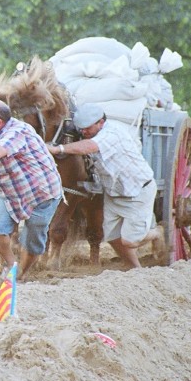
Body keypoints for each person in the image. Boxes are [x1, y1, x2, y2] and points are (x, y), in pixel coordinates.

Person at [48, 103, 163, 269]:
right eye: (81, 129)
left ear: (101, 122)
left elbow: (89, 147)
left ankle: (156, 234)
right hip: (114, 192)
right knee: (112, 237)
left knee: (131, 240)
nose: (83, 132)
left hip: (137, 191)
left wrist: (57, 149)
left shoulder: (112, 133)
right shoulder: (92, 133)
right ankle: (136, 269)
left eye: (87, 128)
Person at [0, 99, 62, 281]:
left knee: (31, 243)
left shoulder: (18, 131)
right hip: (10, 194)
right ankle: (12, 265)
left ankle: (21, 273)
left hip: (41, 195)